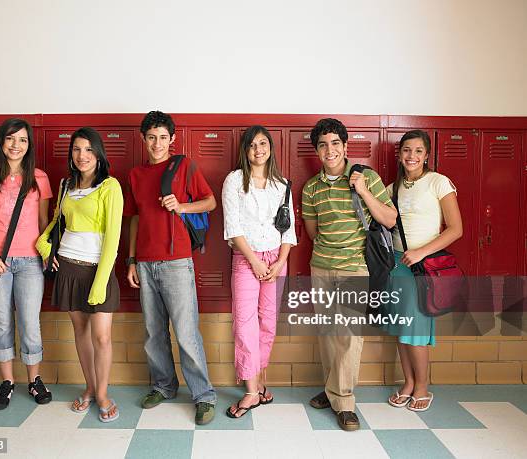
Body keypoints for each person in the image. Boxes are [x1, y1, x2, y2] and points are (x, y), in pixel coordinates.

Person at [302, 118, 396, 431]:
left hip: (355, 266)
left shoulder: (366, 176)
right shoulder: (311, 188)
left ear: (345, 146)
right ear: (317, 150)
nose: (329, 150)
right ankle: (332, 391)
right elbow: (312, 232)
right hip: (321, 266)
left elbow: (390, 219)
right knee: (329, 334)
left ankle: (344, 401)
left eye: (335, 143)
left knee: (349, 336)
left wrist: (363, 191)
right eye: (323, 144)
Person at [124, 110, 217, 425]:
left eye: (163, 137)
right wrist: (132, 260)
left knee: (187, 333)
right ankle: (163, 386)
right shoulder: (135, 175)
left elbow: (210, 202)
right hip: (146, 264)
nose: (157, 143)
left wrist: (182, 205)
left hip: (177, 262)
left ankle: (203, 396)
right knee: (153, 333)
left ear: (172, 140)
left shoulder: (185, 166)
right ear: (143, 139)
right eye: (151, 137)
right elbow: (135, 218)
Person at [36, 127, 123, 422]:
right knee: (81, 333)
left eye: (88, 149)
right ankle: (89, 387)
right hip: (69, 267)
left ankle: (102, 394)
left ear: (98, 153)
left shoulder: (110, 186)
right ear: (71, 154)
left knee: (102, 336)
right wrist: (45, 247)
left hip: (98, 269)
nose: (82, 155)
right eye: (76, 149)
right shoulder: (65, 185)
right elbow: (58, 222)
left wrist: (100, 282)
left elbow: (113, 239)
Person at [0, 118, 53, 410]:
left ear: (29, 145)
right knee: (2, 323)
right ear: (2, 142)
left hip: (30, 261)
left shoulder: (39, 177)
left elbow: (44, 222)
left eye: (23, 140)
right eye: (11, 139)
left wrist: (47, 254)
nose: (17, 145)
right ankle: (7, 383)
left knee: (30, 323)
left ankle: (34, 380)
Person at [221, 126, 297, 418]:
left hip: (277, 259)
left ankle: (260, 381)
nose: (258, 149)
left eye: (263, 143)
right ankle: (252, 391)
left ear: (270, 148)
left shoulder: (282, 184)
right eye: (252, 145)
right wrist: (254, 261)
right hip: (246, 258)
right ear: (245, 150)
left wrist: (279, 262)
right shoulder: (234, 181)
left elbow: (288, 228)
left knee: (269, 323)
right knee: (245, 323)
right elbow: (233, 226)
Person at [384, 130, 462, 411]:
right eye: (406, 150)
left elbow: (456, 229)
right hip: (396, 265)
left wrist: (421, 252)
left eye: (418, 151)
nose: (411, 156)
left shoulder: (439, 183)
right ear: (400, 153)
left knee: (416, 330)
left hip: (421, 268)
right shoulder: (393, 187)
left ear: (427, 155)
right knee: (401, 329)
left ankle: (422, 387)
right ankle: (407, 383)